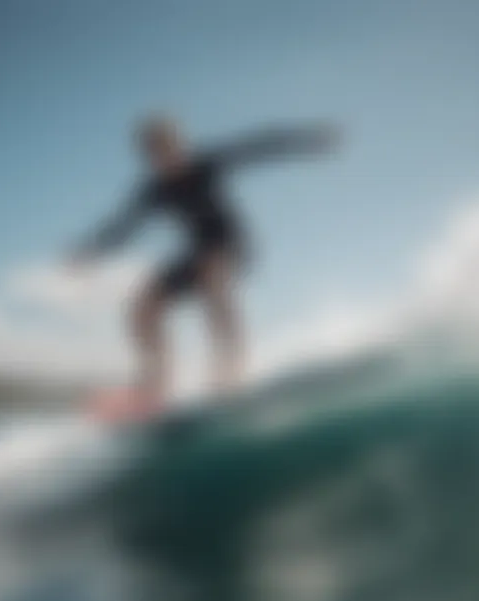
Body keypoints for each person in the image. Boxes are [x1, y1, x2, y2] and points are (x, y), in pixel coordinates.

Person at [69, 116, 341, 411]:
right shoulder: (155, 190)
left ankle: (232, 364)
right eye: (154, 154)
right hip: (197, 255)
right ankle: (156, 385)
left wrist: (312, 139)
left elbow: (261, 146)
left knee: (211, 273)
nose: (164, 159)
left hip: (233, 246)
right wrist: (91, 250)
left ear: (179, 145)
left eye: (168, 148)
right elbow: (124, 225)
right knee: (142, 306)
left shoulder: (206, 164)